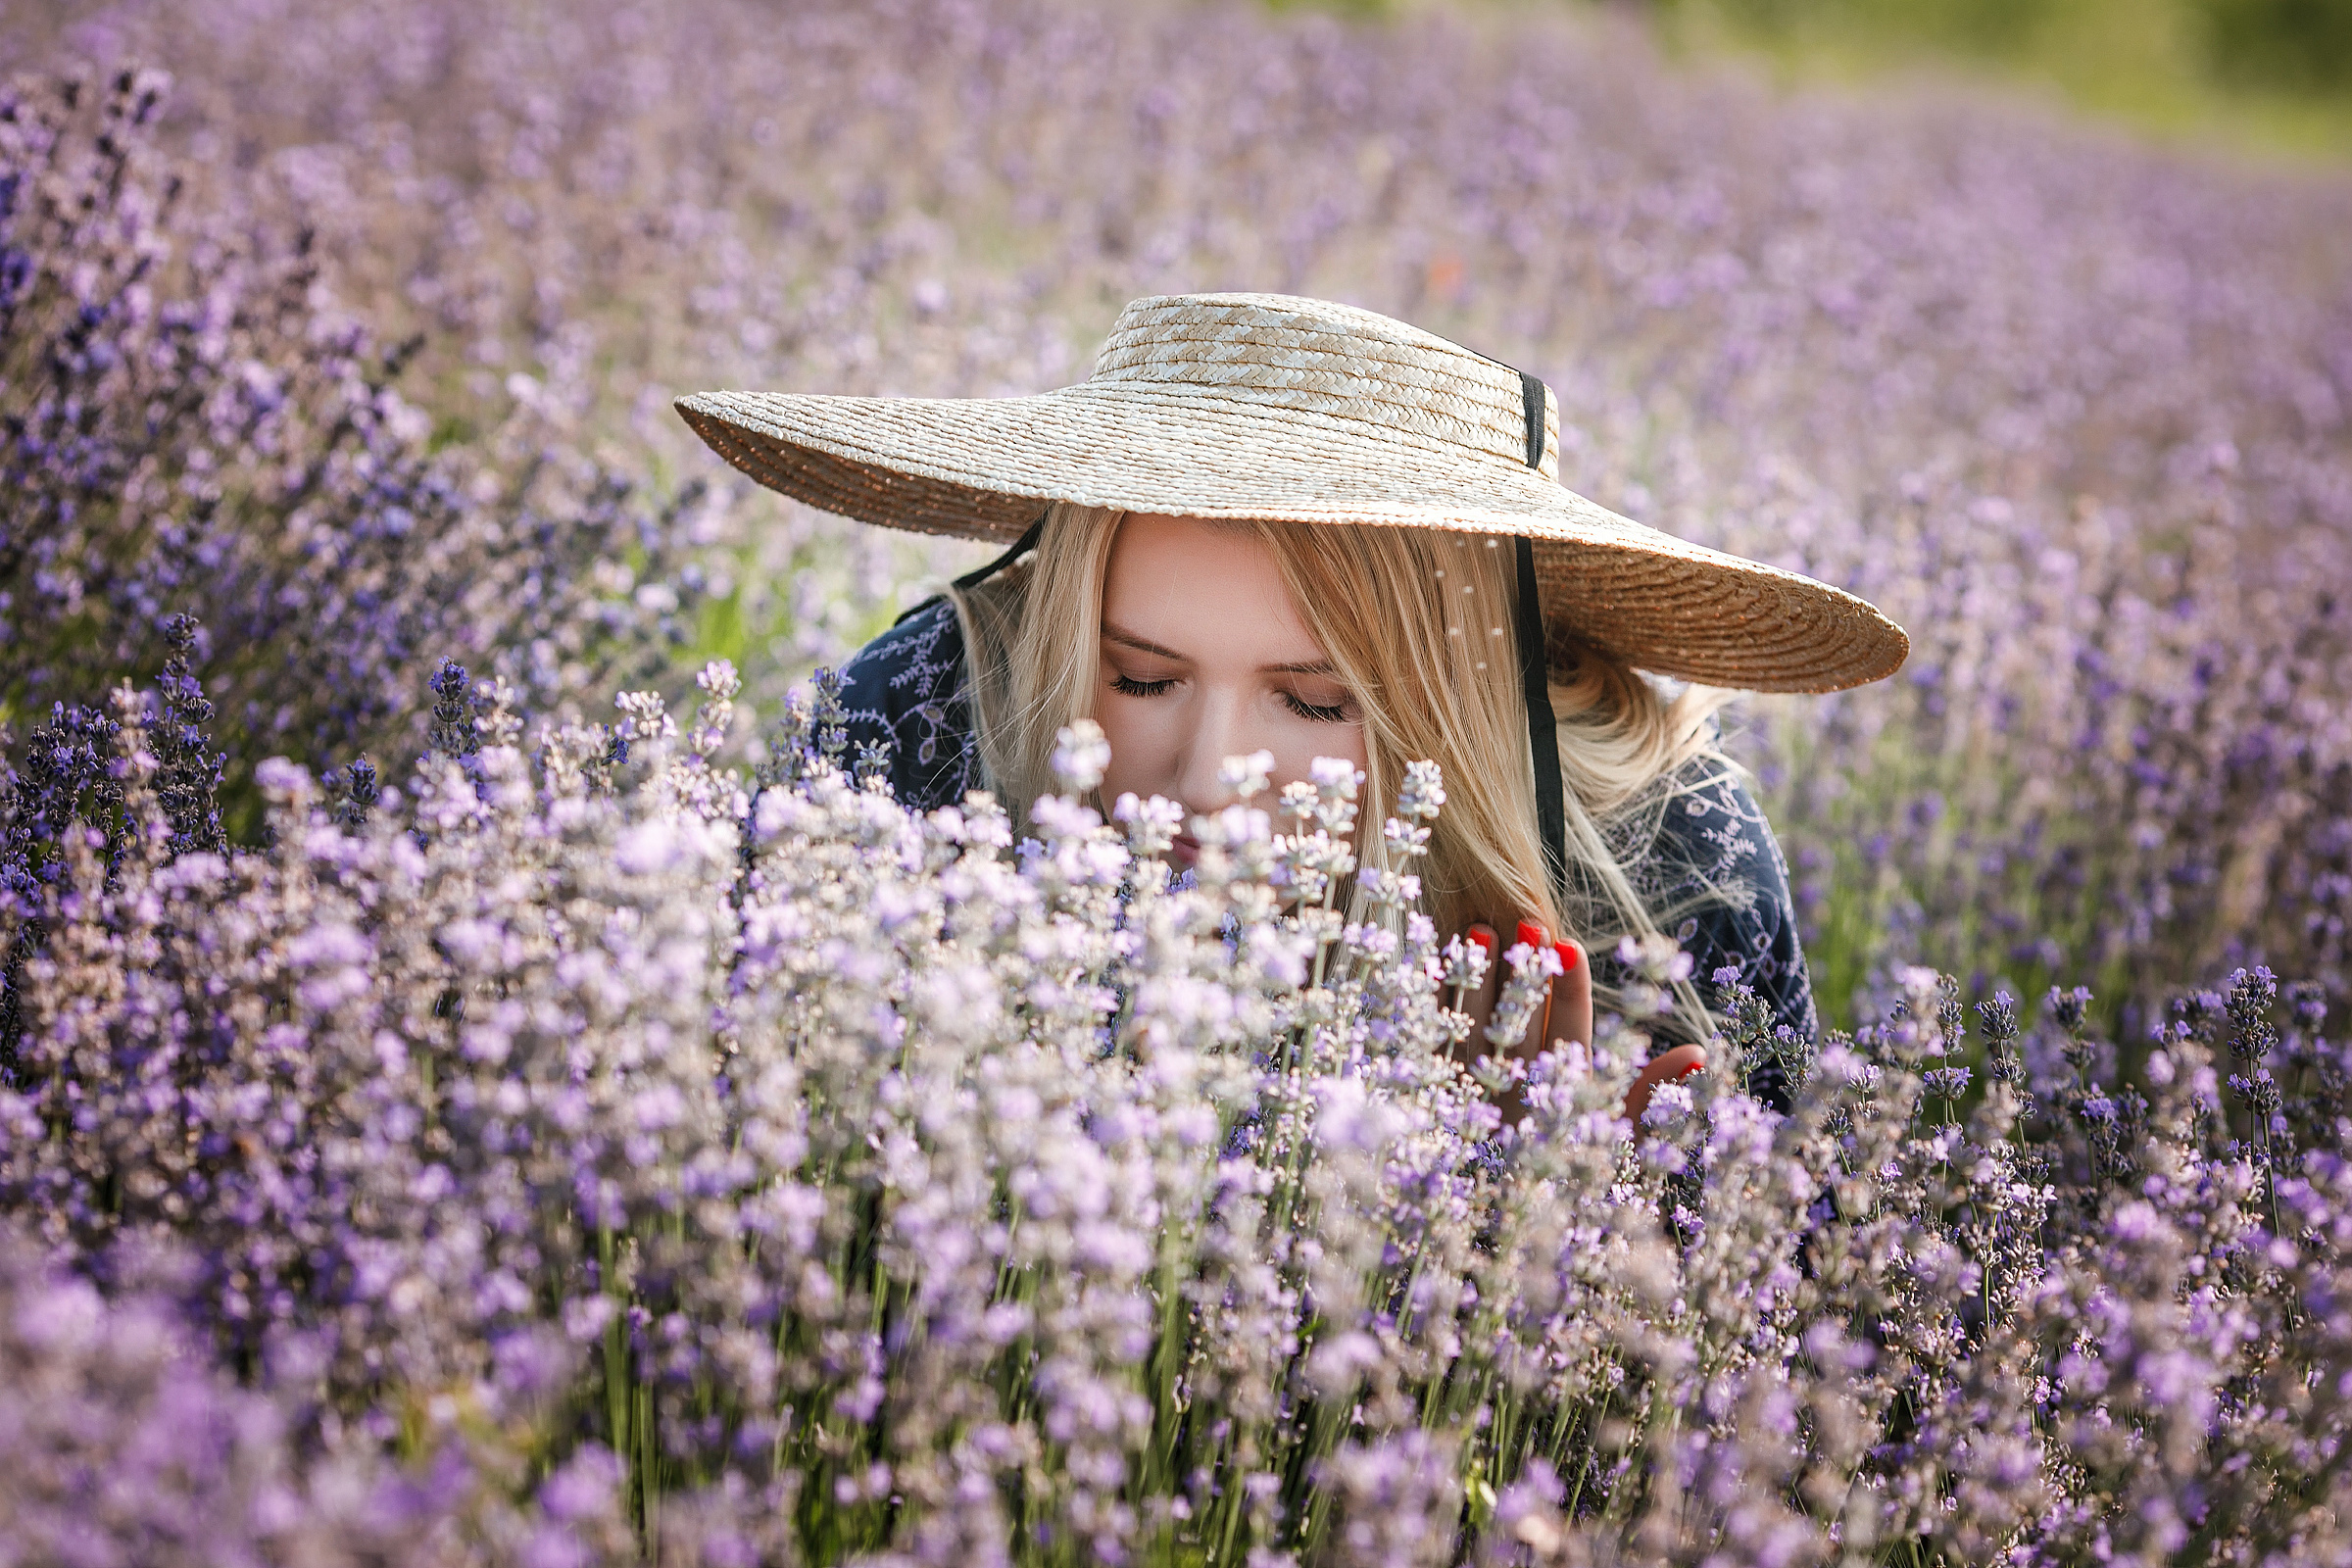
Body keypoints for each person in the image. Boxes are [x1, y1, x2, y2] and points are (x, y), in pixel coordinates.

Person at [678, 292, 1906, 1120]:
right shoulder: (928, 719)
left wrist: (1527, 1267)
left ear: (1455, 704)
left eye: (1318, 704)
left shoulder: (1668, 851)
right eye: (1141, 678)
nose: (1211, 775)